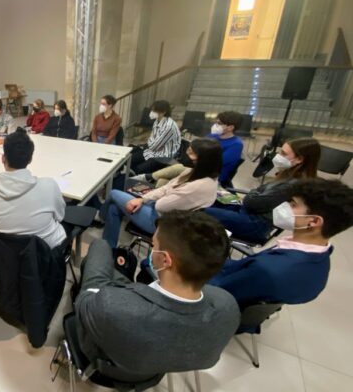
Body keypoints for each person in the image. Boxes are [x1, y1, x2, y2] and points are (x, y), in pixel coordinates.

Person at [75, 211, 239, 387]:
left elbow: (85, 301)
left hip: (108, 366)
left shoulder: (110, 306)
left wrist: (100, 249)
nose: (152, 250)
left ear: (165, 259)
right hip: (158, 368)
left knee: (99, 247)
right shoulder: (227, 306)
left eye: (154, 245)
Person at [210, 178, 353, 309]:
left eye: (293, 204)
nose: (283, 206)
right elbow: (242, 270)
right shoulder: (320, 256)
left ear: (314, 221)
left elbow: (217, 292)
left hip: (219, 302)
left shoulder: (269, 268)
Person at [101, 138, 222, 248]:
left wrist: (151, 198)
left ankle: (101, 216)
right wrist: (143, 199)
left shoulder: (198, 186)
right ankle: (108, 247)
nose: (186, 154)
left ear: (203, 159)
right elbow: (166, 188)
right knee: (113, 207)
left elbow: (160, 205)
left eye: (190, 152)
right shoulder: (195, 172)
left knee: (113, 193)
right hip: (162, 210)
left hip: (160, 222)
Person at [205, 137, 321, 243]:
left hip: (255, 224)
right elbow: (258, 194)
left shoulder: (292, 185)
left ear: (299, 159)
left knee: (200, 212)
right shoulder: (288, 175)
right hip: (249, 213)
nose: (278, 156)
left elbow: (252, 202)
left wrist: (254, 193)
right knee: (208, 202)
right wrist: (255, 194)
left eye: (284, 153)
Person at [0, 128, 67, 248]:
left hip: (4, 255)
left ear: (3, 158)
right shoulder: (49, 186)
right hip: (46, 254)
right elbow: (60, 216)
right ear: (30, 159)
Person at [137, 111, 244, 188]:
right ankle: (154, 202)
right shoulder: (212, 136)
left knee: (178, 168)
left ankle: (147, 177)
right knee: (163, 179)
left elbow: (214, 163)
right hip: (197, 168)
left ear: (230, 127)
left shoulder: (236, 145)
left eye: (219, 124)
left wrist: (195, 155)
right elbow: (198, 149)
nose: (215, 125)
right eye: (216, 122)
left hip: (211, 176)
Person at [129, 100, 181, 175]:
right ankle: (132, 176)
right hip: (152, 151)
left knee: (139, 168)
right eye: (152, 110)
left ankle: (139, 178)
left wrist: (152, 143)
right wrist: (152, 143)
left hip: (163, 155)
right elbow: (151, 140)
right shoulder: (157, 121)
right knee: (130, 159)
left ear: (163, 112)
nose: (152, 112)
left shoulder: (169, 126)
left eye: (155, 111)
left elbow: (155, 146)